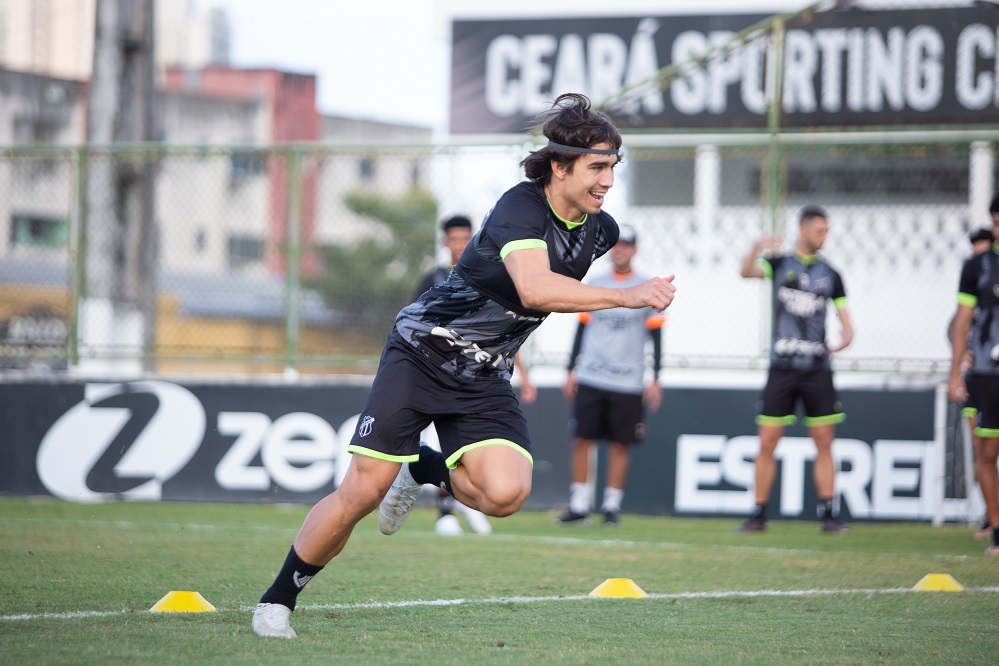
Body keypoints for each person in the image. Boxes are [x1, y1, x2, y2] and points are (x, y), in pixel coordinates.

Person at [252, 92, 677, 638]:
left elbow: (532, 300)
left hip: (484, 373)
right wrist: (626, 295)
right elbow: (533, 287)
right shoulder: (520, 207)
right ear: (559, 165)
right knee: (362, 491)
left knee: (505, 495)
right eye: (597, 167)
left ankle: (423, 468)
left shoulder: (601, 232)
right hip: (421, 352)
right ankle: (277, 600)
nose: (607, 182)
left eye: (613, 168)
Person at [737, 205, 854, 534]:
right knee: (767, 441)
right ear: (803, 230)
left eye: (826, 231)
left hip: (817, 369)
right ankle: (758, 513)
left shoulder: (831, 274)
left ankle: (829, 514)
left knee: (824, 441)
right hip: (782, 368)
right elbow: (745, 272)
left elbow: (847, 323)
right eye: (819, 230)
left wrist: (845, 338)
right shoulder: (778, 264)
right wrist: (756, 247)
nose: (824, 236)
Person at [555, 225, 665, 526]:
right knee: (582, 439)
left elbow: (656, 335)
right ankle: (579, 505)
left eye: (627, 245)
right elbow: (581, 327)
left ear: (635, 250)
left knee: (620, 444)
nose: (621, 250)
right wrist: (570, 370)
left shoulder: (646, 285)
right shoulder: (596, 282)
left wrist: (655, 378)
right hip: (591, 374)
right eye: (617, 245)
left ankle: (611, 507)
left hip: (628, 379)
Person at [948, 195, 999, 555]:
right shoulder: (977, 267)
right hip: (985, 372)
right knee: (987, 450)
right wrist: (955, 372)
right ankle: (996, 526)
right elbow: (962, 320)